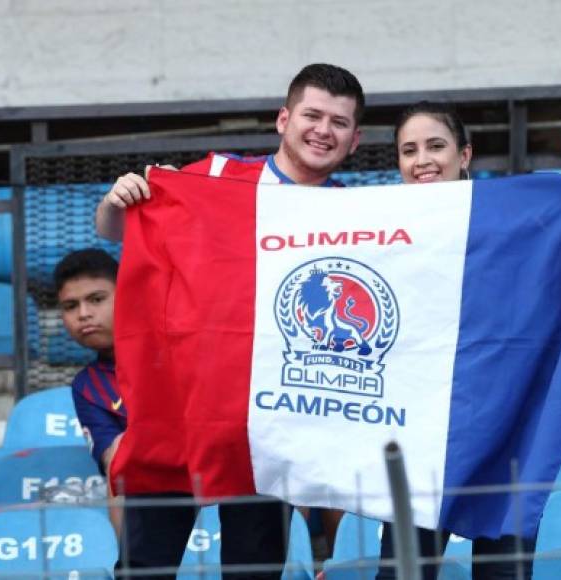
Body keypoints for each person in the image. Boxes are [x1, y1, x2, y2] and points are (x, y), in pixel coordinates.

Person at [96, 63, 364, 580]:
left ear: (354, 141)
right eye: (312, 115)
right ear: (283, 119)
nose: (323, 130)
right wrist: (115, 201)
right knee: (142, 568)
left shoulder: (354, 215)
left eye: (339, 122)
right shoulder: (213, 176)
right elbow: (117, 232)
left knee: (253, 572)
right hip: (180, 409)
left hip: (270, 428)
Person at [377, 101, 561, 580]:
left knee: (503, 574)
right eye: (409, 150)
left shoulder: (514, 219)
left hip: (508, 421)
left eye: (436, 146)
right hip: (420, 435)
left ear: (465, 154)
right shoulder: (377, 230)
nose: (423, 160)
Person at [54, 248, 126, 536]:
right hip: (154, 504)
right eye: (70, 306)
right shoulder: (87, 388)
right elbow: (115, 465)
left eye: (96, 299)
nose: (84, 314)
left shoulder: (177, 351)